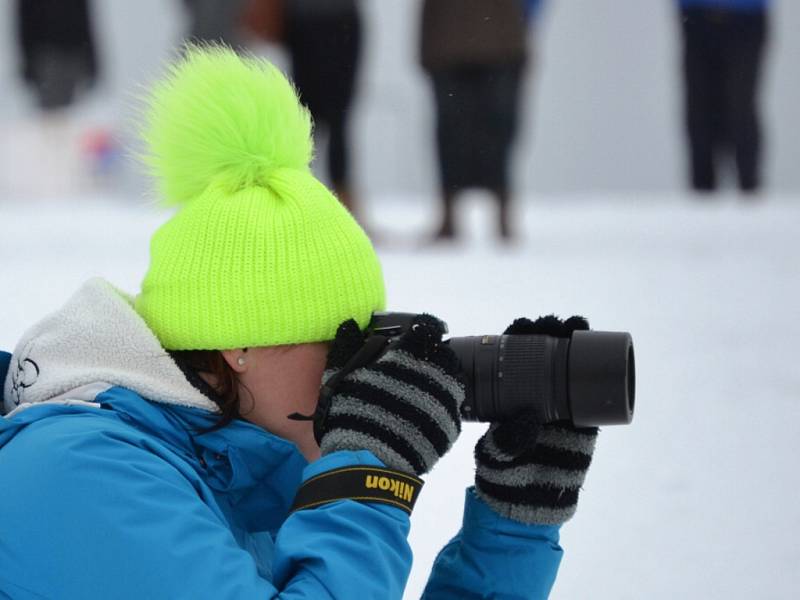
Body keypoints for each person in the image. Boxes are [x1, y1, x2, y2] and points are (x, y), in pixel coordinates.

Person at [0, 46, 598, 598]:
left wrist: (511, 530)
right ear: (237, 345)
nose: (361, 371)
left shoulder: (235, 469)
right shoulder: (82, 471)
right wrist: (368, 478)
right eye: (339, 342)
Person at [420, 0, 529, 242]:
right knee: (452, 131)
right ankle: (451, 214)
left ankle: (501, 213)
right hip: (453, 40)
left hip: (496, 39)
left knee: (498, 128)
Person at [677, 0, 771, 193]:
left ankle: (750, 189)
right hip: (697, 17)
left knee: (740, 106)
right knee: (699, 109)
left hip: (746, 18)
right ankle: (701, 194)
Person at [283, 0, 364, 220]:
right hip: (321, 19)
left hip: (316, 18)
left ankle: (299, 197)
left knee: (319, 117)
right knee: (315, 116)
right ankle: (300, 197)